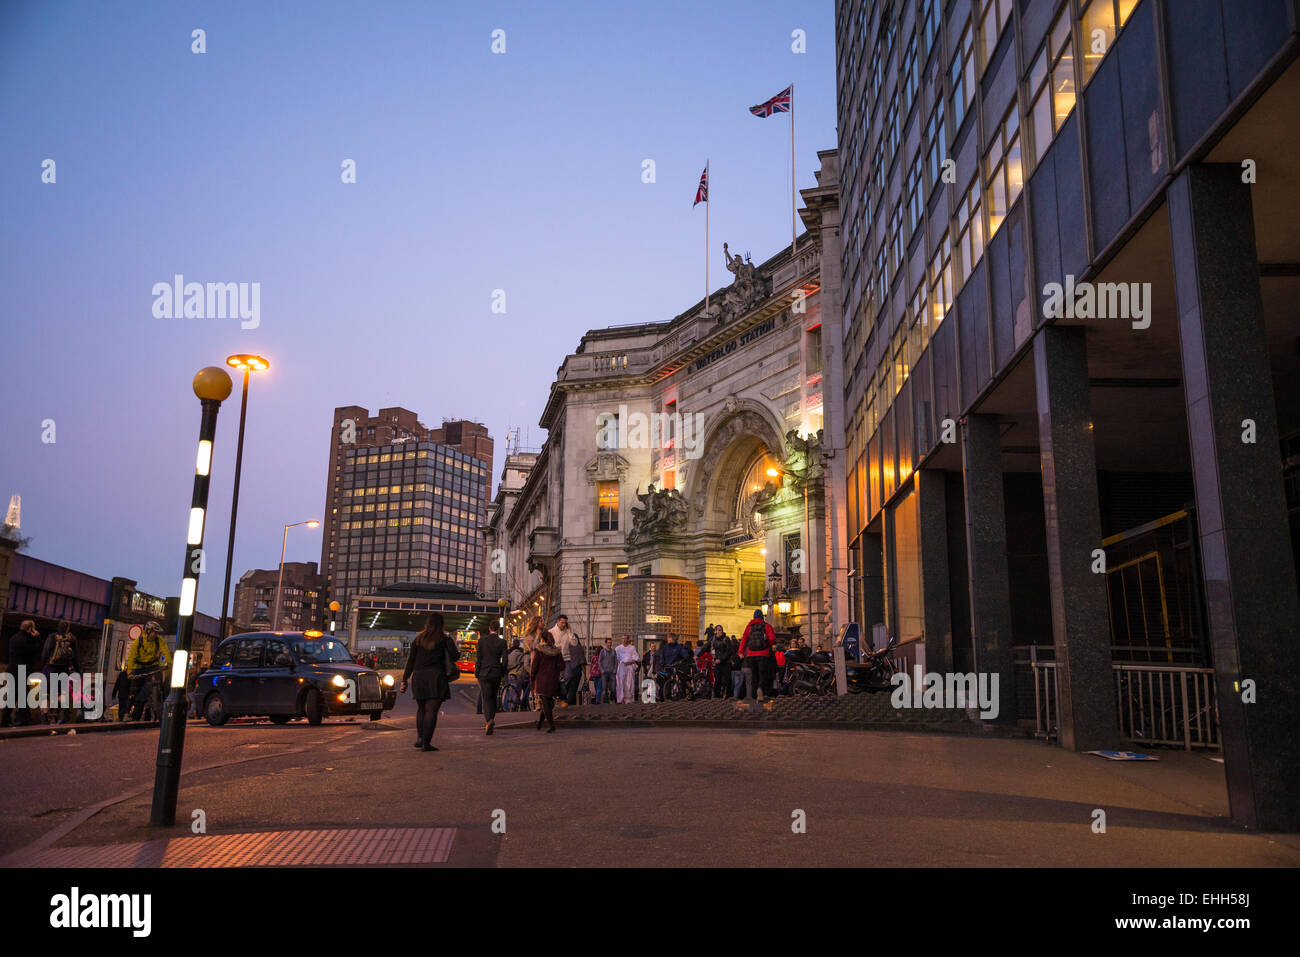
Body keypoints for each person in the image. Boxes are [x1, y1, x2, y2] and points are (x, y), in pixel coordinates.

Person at [400, 612, 455, 751]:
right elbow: (455, 656)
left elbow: (410, 661)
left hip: (419, 677)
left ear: (428, 623)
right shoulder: (444, 639)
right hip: (436, 677)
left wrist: (404, 680)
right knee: (431, 710)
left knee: (421, 709)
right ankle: (426, 743)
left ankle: (420, 738)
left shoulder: (418, 639)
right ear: (442, 624)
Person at [125, 621, 172, 720]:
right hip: (139, 668)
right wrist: (130, 672)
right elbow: (131, 657)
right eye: (154, 632)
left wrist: (169, 662)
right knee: (135, 692)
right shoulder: (138, 641)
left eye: (157, 632)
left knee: (154, 688)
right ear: (148, 631)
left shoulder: (158, 640)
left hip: (153, 666)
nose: (156, 634)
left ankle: (159, 708)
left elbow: (165, 651)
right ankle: (131, 714)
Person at [5, 620, 42, 727]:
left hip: (12, 669)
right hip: (22, 670)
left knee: (14, 695)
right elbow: (35, 651)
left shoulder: (14, 637)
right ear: (31, 629)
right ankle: (23, 719)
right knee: (23, 695)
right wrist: (37, 637)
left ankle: (7, 719)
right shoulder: (28, 639)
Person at [476, 619, 508, 735]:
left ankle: (489, 720)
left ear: (489, 628)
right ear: (498, 629)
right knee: (493, 697)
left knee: (486, 697)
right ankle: (491, 719)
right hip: (496, 673)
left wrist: (477, 672)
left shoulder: (481, 641)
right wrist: (502, 672)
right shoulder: (502, 642)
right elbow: (505, 660)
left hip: (484, 673)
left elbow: (479, 659)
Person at [44, 621, 80, 724]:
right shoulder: (72, 638)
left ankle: (45, 715)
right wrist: (77, 670)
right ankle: (64, 713)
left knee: (46, 693)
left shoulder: (51, 637)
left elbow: (45, 653)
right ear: (67, 628)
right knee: (61, 693)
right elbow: (75, 657)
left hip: (50, 668)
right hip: (63, 669)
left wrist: (45, 663)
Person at [529, 631, 564, 733]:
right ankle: (540, 723)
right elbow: (562, 666)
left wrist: (532, 676)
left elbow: (534, 666)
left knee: (545, 703)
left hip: (542, 680)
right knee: (548, 703)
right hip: (553, 680)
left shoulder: (539, 651)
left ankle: (551, 725)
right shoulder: (557, 651)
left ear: (542, 639)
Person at [739, 610, 776, 700]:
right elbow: (772, 638)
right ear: (762, 617)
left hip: (751, 654)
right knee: (763, 674)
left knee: (754, 675)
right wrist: (770, 644)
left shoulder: (749, 627)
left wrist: (740, 652)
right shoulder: (767, 626)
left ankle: (754, 695)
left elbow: (744, 640)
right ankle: (760, 689)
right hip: (763, 654)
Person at [710, 625, 734, 698]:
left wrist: (720, 659)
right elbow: (708, 647)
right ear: (715, 631)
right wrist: (698, 655)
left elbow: (728, 651)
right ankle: (717, 696)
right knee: (717, 679)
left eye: (721, 630)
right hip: (718, 663)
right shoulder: (713, 639)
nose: (719, 631)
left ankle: (729, 695)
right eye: (718, 630)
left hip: (725, 662)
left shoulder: (726, 639)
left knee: (728, 680)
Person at [562, 638, 587, 706]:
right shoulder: (579, 648)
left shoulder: (567, 647)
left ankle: (569, 704)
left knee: (568, 689)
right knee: (573, 689)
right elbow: (582, 663)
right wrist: (585, 676)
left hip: (566, 671)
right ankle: (571, 704)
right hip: (577, 671)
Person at [615, 634, 638, 703]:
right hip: (621, 667)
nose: (624, 640)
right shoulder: (618, 648)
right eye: (622, 638)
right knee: (620, 683)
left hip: (629, 667)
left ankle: (629, 699)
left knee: (629, 683)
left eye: (625, 638)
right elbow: (616, 658)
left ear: (628, 639)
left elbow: (636, 658)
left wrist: (630, 662)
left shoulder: (632, 648)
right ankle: (620, 698)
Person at [594, 638, 617, 704]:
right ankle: (606, 703)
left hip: (612, 673)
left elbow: (616, 661)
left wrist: (615, 669)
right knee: (604, 689)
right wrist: (602, 670)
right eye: (608, 643)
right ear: (606, 643)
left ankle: (612, 699)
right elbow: (599, 662)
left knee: (613, 688)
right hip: (604, 673)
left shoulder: (613, 651)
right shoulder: (602, 651)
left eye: (611, 642)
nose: (610, 644)